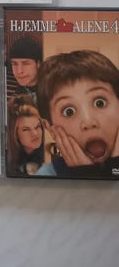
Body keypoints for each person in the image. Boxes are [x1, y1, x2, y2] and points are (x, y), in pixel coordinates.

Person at [36, 50, 119, 178]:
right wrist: (85, 176)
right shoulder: (46, 175)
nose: (89, 122)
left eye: (100, 103)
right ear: (49, 127)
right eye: (69, 111)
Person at [7, 95, 44, 176]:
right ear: (15, 134)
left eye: (38, 126)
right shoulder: (8, 164)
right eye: (26, 129)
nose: (35, 133)